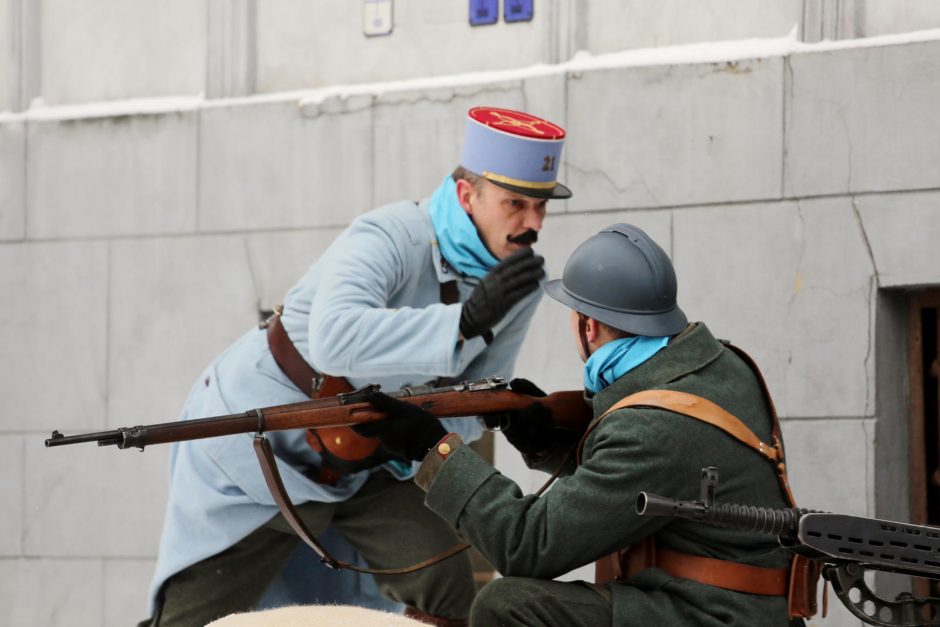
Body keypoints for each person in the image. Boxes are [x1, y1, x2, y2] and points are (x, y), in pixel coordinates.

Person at [139, 106, 573, 627]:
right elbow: (333, 340)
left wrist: (501, 413)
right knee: (188, 615)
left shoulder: (516, 281)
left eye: (541, 207)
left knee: (452, 590)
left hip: (375, 462)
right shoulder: (389, 234)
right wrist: (464, 321)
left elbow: (472, 394)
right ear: (467, 196)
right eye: (516, 204)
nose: (532, 224)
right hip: (261, 451)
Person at [357, 224, 795, 626]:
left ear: (587, 325)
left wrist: (435, 450)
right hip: (741, 602)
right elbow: (639, 487)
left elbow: (527, 547)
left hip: (717, 614)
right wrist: (547, 439)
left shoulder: (652, 427)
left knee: (505, 604)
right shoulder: (721, 364)